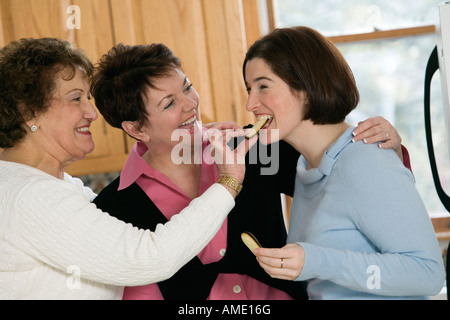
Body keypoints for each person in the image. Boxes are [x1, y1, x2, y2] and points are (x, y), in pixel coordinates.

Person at [90, 43, 409, 300]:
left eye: (187, 88)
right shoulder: (112, 209)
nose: (190, 104)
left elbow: (355, 192)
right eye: (169, 103)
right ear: (136, 128)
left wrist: (387, 151)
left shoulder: (256, 146)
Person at [0, 37, 253, 300]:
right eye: (75, 99)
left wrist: (194, 138)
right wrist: (229, 182)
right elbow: (152, 258)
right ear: (29, 112)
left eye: (88, 97)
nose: (92, 113)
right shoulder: (30, 197)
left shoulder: (51, 186)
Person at [244, 26, 446, 299]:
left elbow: (428, 274)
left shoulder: (364, 160)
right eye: (248, 88)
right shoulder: (306, 168)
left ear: (305, 87)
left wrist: (315, 261)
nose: (250, 103)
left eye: (263, 86)